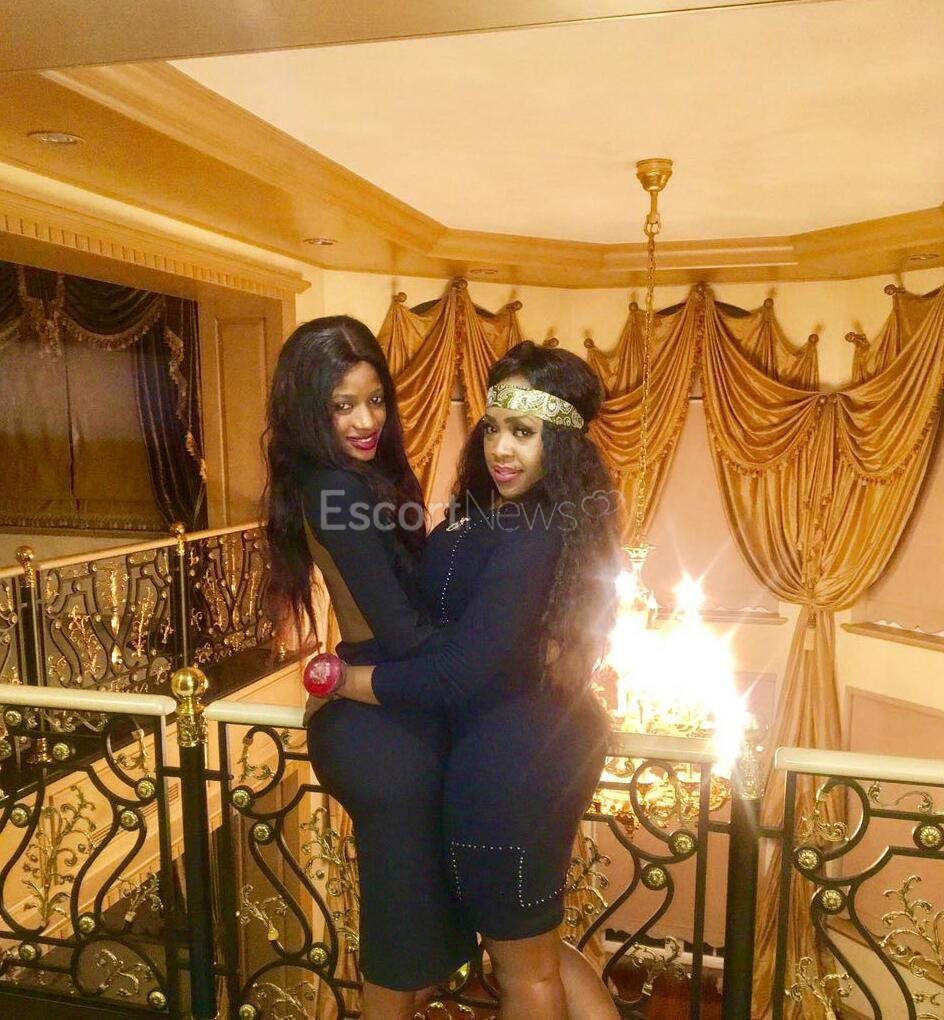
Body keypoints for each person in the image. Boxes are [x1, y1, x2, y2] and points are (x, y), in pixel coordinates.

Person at [312, 340, 623, 1020]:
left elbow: (457, 673)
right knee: (533, 951)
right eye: (494, 428)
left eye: (524, 432)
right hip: (507, 749)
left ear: (561, 443)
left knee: (526, 970)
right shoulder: (499, 514)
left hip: (512, 763)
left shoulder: (534, 532)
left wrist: (345, 681)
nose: (501, 449)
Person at [264, 315, 473, 1020]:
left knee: (416, 938)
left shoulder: (350, 478)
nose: (366, 420)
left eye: (375, 399)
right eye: (343, 405)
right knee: (400, 941)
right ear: (310, 408)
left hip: (383, 705)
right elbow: (404, 632)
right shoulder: (336, 487)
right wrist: (489, 647)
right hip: (383, 726)